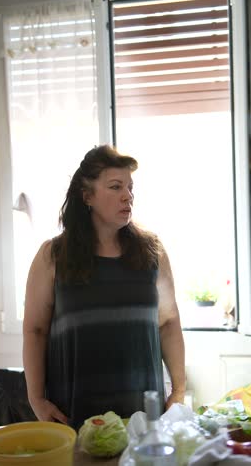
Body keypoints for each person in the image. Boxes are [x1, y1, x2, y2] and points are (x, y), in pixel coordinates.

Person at [23, 144, 186, 430]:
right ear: (87, 196)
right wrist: (36, 398)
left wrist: (179, 391)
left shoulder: (152, 251)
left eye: (130, 187)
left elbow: (169, 322)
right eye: (115, 187)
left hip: (143, 417)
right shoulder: (53, 255)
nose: (128, 196)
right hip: (75, 415)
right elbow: (35, 330)